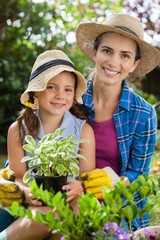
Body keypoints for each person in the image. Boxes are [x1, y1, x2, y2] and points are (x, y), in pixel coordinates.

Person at [76, 12, 160, 231]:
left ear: (134, 64)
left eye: (125, 55)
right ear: (95, 53)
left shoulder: (143, 113)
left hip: (117, 204)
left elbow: (138, 173)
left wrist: (116, 182)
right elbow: (38, 137)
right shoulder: (70, 97)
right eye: (107, 51)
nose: (114, 62)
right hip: (70, 194)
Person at [0, 49, 95, 240]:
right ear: (36, 91)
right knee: (48, 217)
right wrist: (26, 192)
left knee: (81, 209)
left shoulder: (83, 130)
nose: (61, 95)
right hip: (33, 206)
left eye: (68, 89)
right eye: (52, 87)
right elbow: (18, 177)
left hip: (68, 201)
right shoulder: (18, 130)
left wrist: (79, 186)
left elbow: (86, 177)